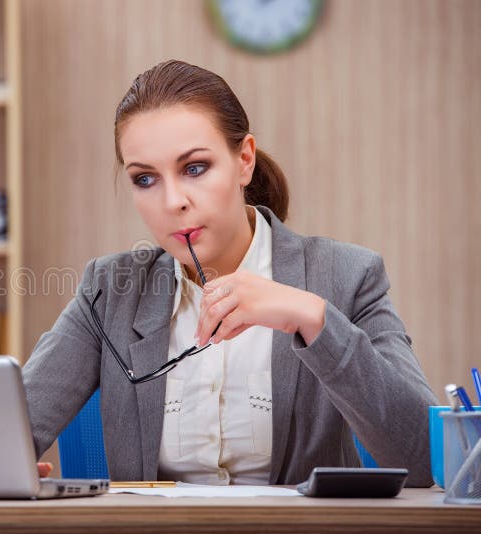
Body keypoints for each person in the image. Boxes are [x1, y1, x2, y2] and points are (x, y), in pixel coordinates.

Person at [23, 59, 437, 486]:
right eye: (145, 179)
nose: (173, 202)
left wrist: (312, 319)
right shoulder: (109, 291)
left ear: (244, 160)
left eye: (195, 168)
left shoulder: (348, 276)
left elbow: (425, 460)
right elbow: (10, 431)